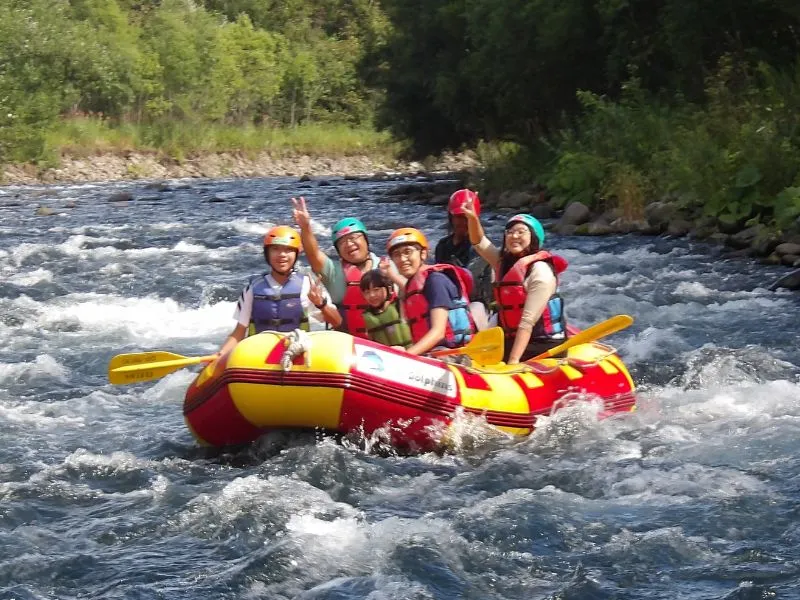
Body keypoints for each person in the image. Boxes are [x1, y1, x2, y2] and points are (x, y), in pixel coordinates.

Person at [462, 198, 569, 364]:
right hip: (511, 339)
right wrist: (472, 218)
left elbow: (527, 322)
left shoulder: (541, 271)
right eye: (510, 232)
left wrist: (513, 362)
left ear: (533, 238)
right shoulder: (503, 263)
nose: (514, 236)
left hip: (543, 344)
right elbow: (478, 242)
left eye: (521, 232)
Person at [216, 226, 342, 356]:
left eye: (288, 250)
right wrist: (220, 355)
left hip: (295, 353)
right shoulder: (252, 289)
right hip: (259, 355)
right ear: (267, 254)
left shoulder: (308, 286)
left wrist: (320, 303)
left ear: (296, 255)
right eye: (275, 249)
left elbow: (337, 322)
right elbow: (239, 332)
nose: (282, 255)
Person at [291, 197, 385, 339]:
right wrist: (305, 227)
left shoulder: (387, 268)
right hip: (347, 342)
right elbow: (313, 254)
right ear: (338, 251)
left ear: (366, 240)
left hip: (385, 343)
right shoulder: (334, 272)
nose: (349, 244)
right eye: (342, 242)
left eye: (354, 237)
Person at [386, 227, 476, 356]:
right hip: (430, 354)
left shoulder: (435, 281)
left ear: (423, 254)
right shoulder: (411, 286)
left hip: (452, 354)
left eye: (407, 252)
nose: (402, 259)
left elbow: (438, 332)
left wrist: (406, 355)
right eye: (396, 254)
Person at [435, 189, 494, 309]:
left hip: (477, 303)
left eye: (466, 217)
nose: (462, 221)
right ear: (451, 217)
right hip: (450, 301)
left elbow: (469, 279)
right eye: (458, 217)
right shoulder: (442, 245)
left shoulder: (482, 249)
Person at [359, 269, 413, 348]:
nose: (372, 295)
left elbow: (410, 289)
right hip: (388, 358)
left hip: (412, 354)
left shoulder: (400, 306)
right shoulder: (367, 316)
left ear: (390, 289)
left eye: (376, 290)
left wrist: (391, 275)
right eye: (367, 292)